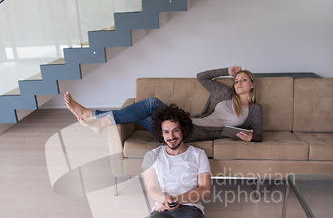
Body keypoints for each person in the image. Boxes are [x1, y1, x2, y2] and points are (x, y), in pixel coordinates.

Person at [64, 66, 262, 142]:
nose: (238, 83)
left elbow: (259, 135)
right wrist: (227, 70)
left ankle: (95, 116)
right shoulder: (224, 92)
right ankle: (98, 118)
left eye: (243, 80)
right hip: (188, 122)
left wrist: (250, 137)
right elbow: (201, 77)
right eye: (237, 80)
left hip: (193, 132)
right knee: (149, 106)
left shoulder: (255, 110)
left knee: (150, 104)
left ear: (252, 85)